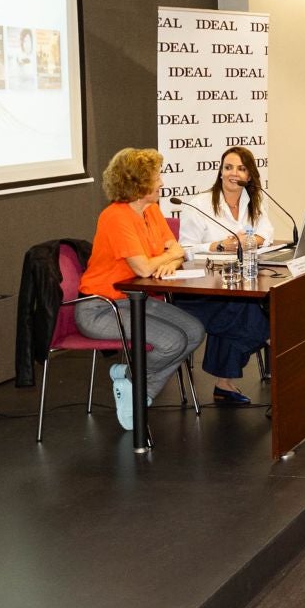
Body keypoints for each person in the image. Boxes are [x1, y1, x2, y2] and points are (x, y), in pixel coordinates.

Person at [75, 147, 206, 430]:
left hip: (135, 299)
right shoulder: (115, 217)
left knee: (195, 332)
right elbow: (144, 269)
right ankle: (137, 390)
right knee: (172, 342)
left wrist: (171, 257)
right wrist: (167, 257)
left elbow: (178, 251)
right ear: (137, 183)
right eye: (157, 177)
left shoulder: (151, 211)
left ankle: (135, 387)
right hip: (100, 308)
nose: (162, 182)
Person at [169, 147, 275, 404]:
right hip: (200, 289)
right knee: (250, 309)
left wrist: (250, 240)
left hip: (236, 280)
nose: (232, 173)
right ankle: (272, 341)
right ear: (220, 172)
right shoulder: (200, 205)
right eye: (228, 167)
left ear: (249, 175)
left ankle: (224, 384)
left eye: (240, 168)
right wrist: (217, 246)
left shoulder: (253, 201)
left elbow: (267, 232)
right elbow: (185, 250)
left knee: (253, 301)